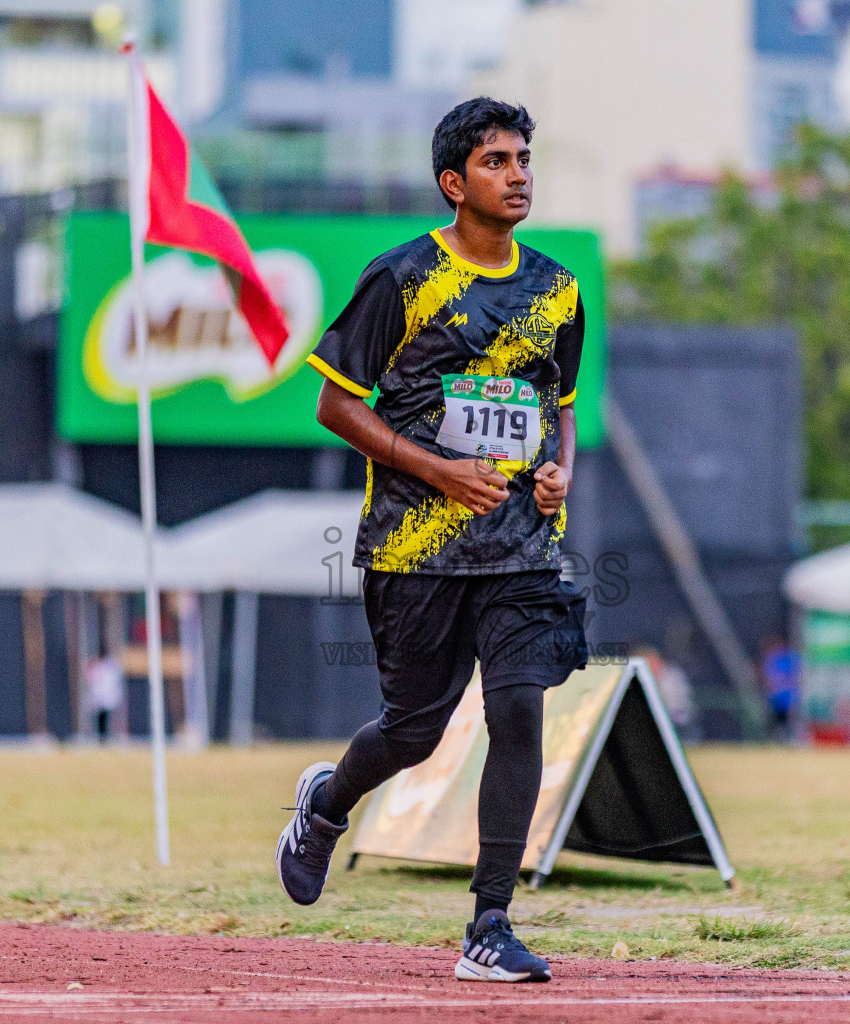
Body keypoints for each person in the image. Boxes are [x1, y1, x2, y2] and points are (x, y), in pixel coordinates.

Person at [276, 97, 587, 984]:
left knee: (519, 708)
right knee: (413, 733)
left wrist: (560, 473)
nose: (519, 173)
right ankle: (327, 806)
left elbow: (556, 414)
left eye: (524, 158)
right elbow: (336, 405)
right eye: (497, 162)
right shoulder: (402, 278)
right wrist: (440, 471)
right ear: (455, 183)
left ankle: (490, 924)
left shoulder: (559, 289)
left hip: (521, 546)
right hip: (416, 548)